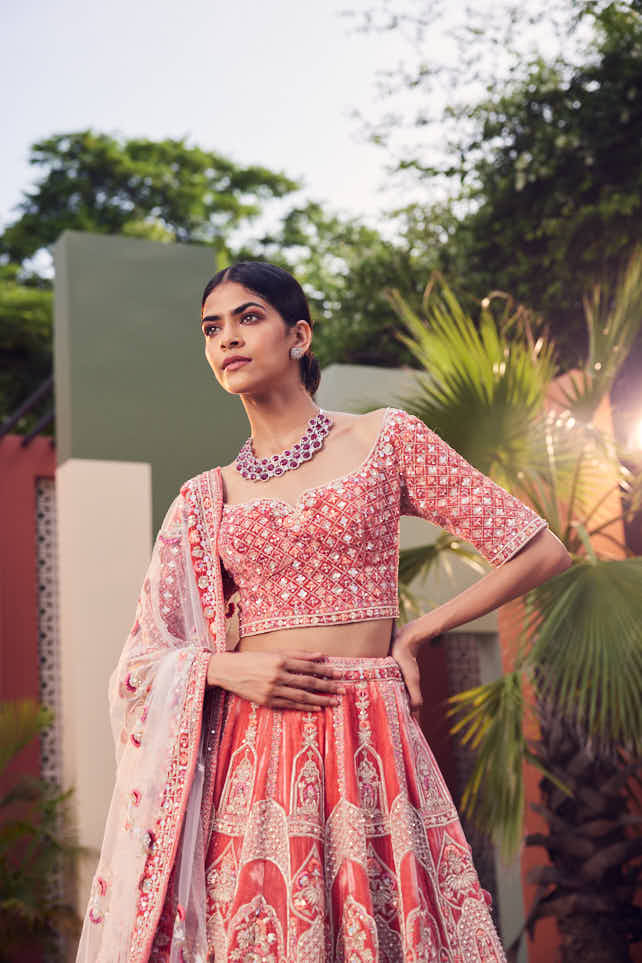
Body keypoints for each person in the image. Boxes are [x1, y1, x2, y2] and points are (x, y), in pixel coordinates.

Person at [75, 261, 571, 962]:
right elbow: (142, 662)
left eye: (249, 318)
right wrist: (222, 669)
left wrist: (419, 630)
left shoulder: (384, 439)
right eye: (211, 328)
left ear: (298, 335)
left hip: (371, 730)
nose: (227, 339)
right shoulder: (204, 498)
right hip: (256, 748)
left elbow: (540, 550)